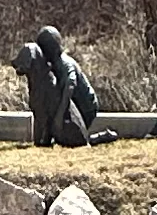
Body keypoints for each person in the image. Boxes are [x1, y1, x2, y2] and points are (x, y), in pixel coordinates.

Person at [14, 20, 101, 149]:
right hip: (72, 102)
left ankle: (89, 138)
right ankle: (98, 137)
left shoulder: (65, 63)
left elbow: (70, 87)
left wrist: (59, 117)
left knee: (67, 127)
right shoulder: (51, 64)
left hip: (85, 105)